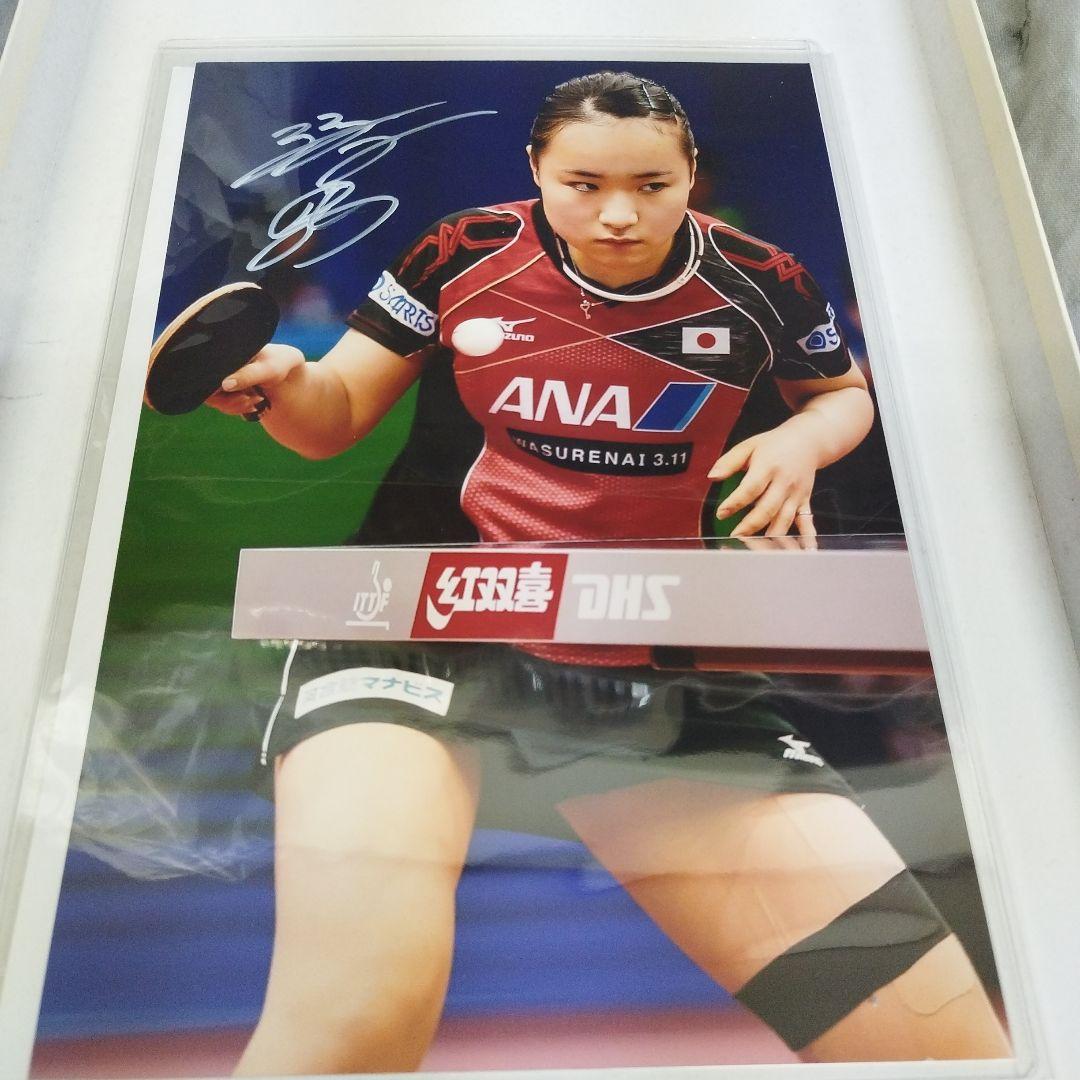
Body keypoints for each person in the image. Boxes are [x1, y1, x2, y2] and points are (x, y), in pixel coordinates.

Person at [206, 73, 1009, 1074]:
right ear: (537, 171)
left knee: (932, 1043)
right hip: (416, 635)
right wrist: (285, 388)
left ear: (689, 177)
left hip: (649, 662)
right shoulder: (462, 252)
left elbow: (840, 394)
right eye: (583, 185)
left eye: (650, 185)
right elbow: (330, 419)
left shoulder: (763, 278)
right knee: (356, 1024)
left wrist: (803, 440)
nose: (618, 214)